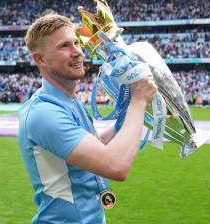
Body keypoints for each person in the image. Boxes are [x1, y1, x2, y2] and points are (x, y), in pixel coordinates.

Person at [18, 14, 157, 223]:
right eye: (64, 46)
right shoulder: (44, 113)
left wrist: (126, 115)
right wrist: (138, 101)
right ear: (41, 59)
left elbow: (94, 145)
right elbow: (116, 166)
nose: (77, 52)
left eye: (76, 42)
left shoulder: (68, 100)